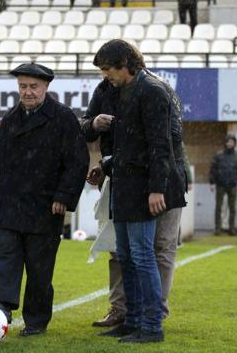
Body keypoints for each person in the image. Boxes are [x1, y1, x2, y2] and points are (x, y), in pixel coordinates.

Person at [0, 62, 89, 336]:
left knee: (39, 270)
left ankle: (36, 321)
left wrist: (63, 196)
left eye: (33, 87)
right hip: (10, 206)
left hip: (45, 207)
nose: (27, 92)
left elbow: (77, 161)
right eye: (23, 86)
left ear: (46, 87)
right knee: (4, 260)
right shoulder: (12, 118)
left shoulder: (63, 118)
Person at [82, 40, 187, 333]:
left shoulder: (153, 90)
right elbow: (125, 143)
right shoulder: (118, 90)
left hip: (146, 183)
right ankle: (131, 318)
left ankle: (151, 322)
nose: (105, 76)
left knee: (149, 252)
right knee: (127, 253)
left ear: (125, 64)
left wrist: (157, 187)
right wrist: (104, 165)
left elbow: (162, 143)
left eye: (107, 69)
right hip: (124, 182)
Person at [209, 135, 237, 235]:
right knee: (218, 207)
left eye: (231, 142)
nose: (230, 144)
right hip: (220, 184)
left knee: (232, 208)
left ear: (234, 144)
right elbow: (213, 170)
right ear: (225, 143)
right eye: (228, 142)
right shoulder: (218, 155)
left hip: (233, 185)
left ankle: (231, 229)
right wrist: (212, 182)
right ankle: (217, 228)